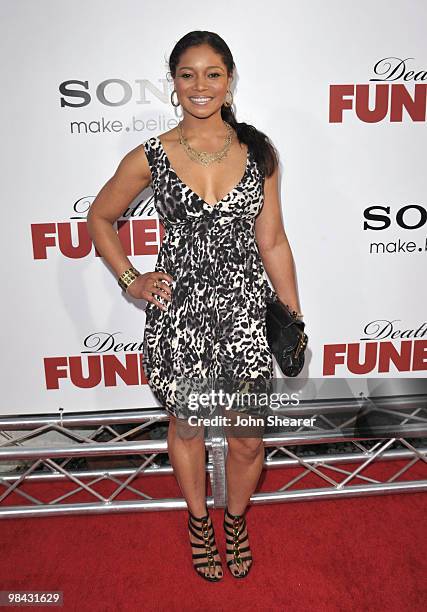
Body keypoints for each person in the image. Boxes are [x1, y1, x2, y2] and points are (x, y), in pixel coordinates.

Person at [87, 30, 303, 582]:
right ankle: (199, 520)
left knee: (248, 437)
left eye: (212, 74)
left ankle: (235, 518)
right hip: (180, 317)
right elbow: (99, 219)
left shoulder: (259, 152)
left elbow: (273, 240)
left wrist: (293, 318)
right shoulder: (152, 155)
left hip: (246, 313)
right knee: (186, 429)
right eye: (188, 75)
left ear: (229, 80)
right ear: (174, 83)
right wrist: (132, 279)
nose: (200, 85)